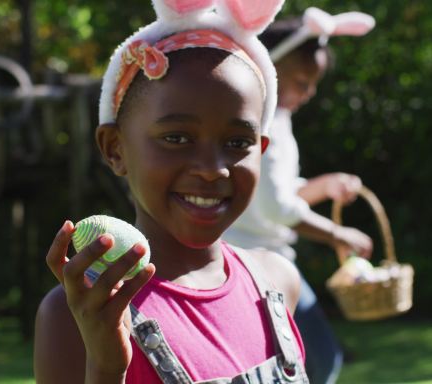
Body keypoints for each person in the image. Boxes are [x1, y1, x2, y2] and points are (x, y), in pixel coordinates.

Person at [34, 1, 312, 383]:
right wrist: (106, 368)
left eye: (237, 142)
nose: (212, 169)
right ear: (115, 148)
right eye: (177, 138)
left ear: (261, 150)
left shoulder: (277, 283)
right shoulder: (79, 315)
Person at [222, 7, 377, 384]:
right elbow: (278, 207)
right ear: (271, 69)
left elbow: (272, 196)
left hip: (261, 259)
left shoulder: (280, 119)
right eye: (302, 82)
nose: (308, 93)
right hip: (256, 262)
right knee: (321, 359)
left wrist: (321, 186)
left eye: (313, 84)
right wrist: (338, 235)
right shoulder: (262, 121)